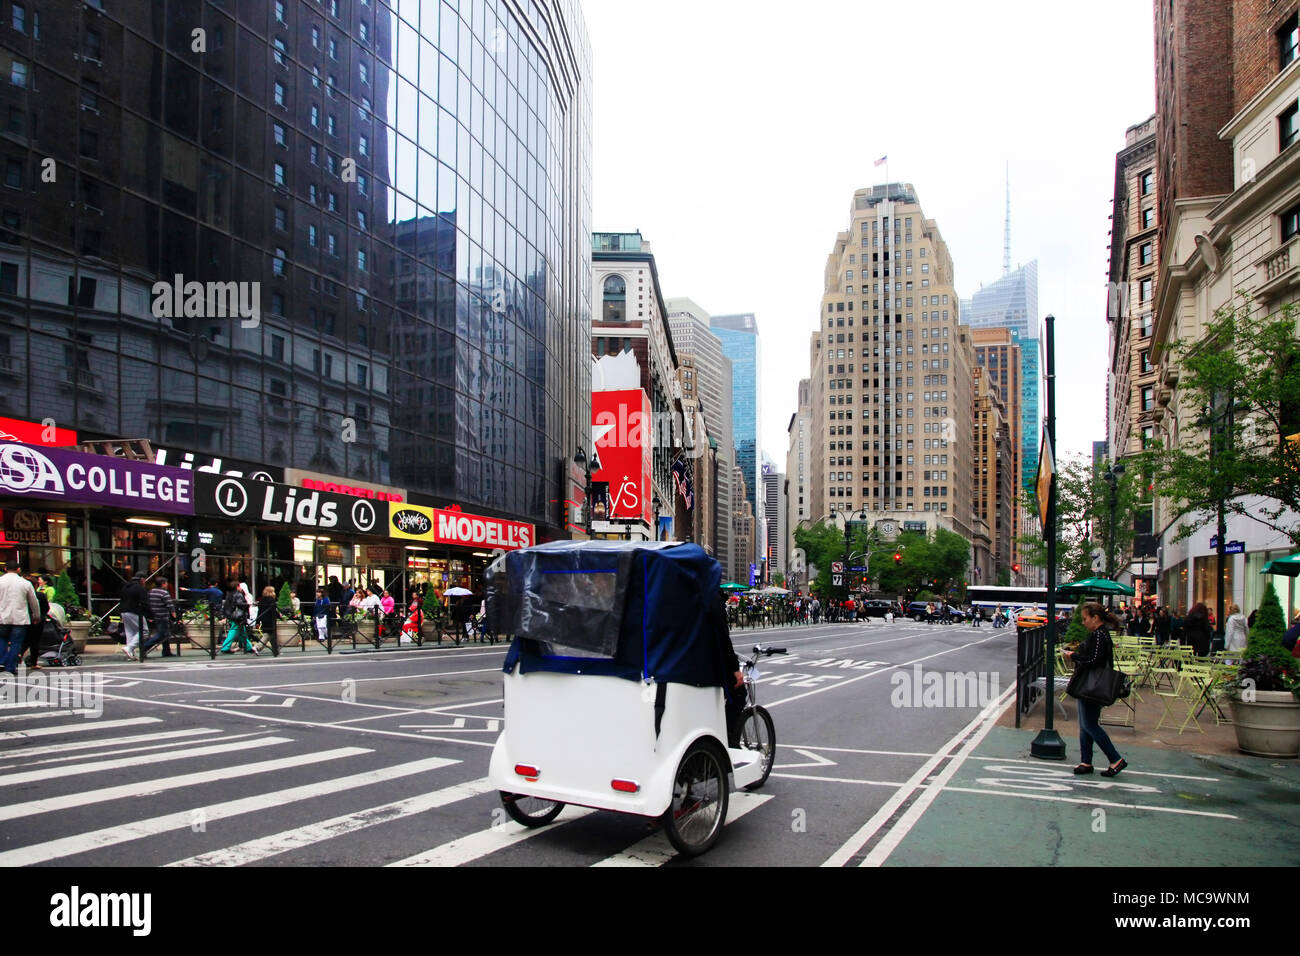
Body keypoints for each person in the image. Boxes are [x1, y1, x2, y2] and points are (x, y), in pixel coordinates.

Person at [1063, 602, 1127, 777]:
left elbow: (1093, 660)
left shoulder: (1099, 635)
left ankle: (1115, 759)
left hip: (1092, 686)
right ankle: (1086, 761)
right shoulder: (1100, 634)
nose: (1083, 622)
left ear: (1095, 618)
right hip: (1092, 685)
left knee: (1089, 725)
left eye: (1085, 619)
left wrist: (1073, 656)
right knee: (1085, 725)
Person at [143, 580, 177, 658]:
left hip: (155, 615)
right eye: (166, 583)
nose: (167, 585)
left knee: (165, 634)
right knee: (161, 634)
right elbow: (170, 606)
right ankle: (144, 646)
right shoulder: (164, 593)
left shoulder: (151, 592)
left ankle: (166, 651)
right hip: (163, 616)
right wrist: (175, 616)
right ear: (163, 584)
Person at [120, 573, 148, 662]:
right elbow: (144, 602)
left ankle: (130, 653)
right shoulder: (140, 588)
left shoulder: (125, 587)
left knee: (130, 632)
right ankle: (129, 648)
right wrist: (149, 613)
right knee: (144, 631)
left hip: (123, 611)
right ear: (142, 579)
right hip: (135, 611)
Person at [220, 582, 254, 655]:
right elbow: (240, 604)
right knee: (234, 630)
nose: (241, 588)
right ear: (237, 586)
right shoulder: (238, 594)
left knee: (242, 631)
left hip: (231, 615)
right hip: (237, 616)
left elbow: (226, 606)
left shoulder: (229, 594)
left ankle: (248, 647)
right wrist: (247, 605)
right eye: (240, 586)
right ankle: (225, 647)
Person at [256, 585, 278, 655]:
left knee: (271, 636)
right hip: (270, 619)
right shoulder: (271, 600)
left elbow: (259, 612)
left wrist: (257, 621)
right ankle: (257, 647)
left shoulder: (262, 600)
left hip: (263, 619)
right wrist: (280, 616)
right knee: (268, 634)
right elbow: (273, 611)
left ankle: (275, 650)